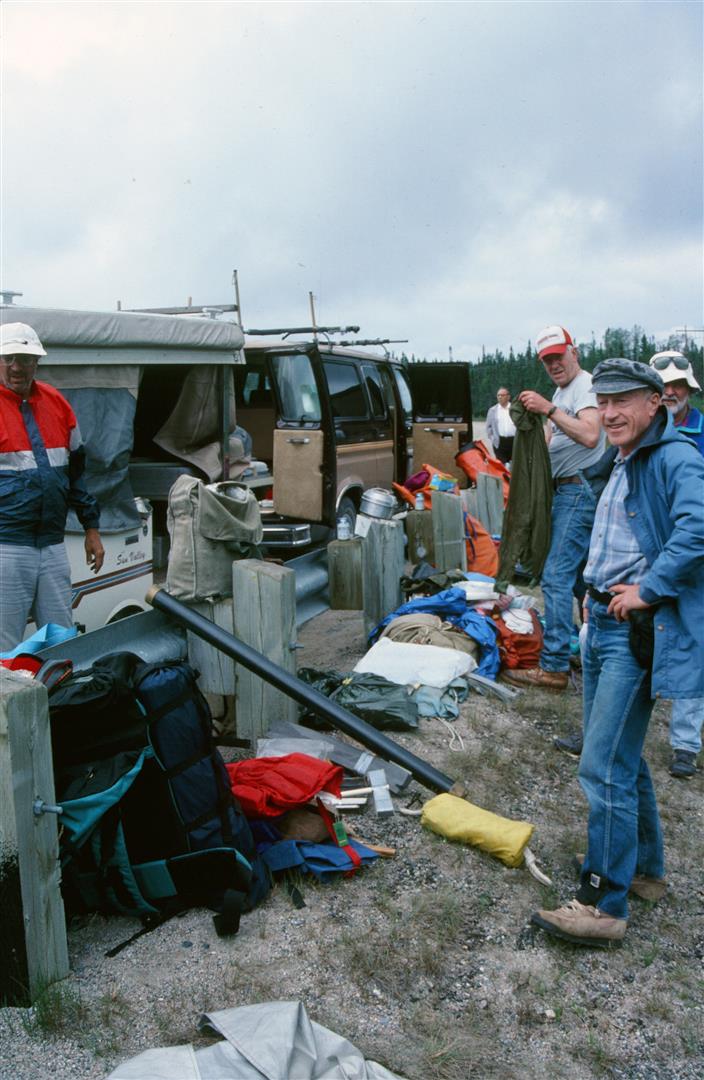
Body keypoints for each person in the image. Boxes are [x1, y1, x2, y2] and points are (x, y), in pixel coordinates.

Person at [532, 359, 704, 947]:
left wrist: (648, 590)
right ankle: (646, 872)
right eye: (602, 402)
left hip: (635, 629)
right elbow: (614, 537)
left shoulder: (675, 457)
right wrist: (591, 589)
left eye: (622, 401)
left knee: (601, 764)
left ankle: (602, 904)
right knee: (621, 757)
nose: (608, 413)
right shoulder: (625, 455)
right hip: (604, 620)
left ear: (656, 402)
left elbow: (697, 530)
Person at [502, 325, 605, 691]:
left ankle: (555, 666)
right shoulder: (563, 392)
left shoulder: (585, 386)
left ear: (574, 352)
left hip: (577, 492)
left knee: (556, 576)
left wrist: (548, 409)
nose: (554, 365)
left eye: (559, 357)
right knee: (580, 581)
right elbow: (548, 444)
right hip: (565, 492)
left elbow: (590, 435)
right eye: (547, 361)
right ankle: (592, 650)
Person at [0, 321, 104, 650]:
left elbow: (76, 473)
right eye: (8, 359)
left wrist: (91, 528)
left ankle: (59, 685)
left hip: (52, 544)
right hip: (6, 545)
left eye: (25, 359)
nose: (16, 367)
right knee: (4, 645)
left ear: (37, 362)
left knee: (61, 637)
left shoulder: (56, 402)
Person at [650, 350, 704, 779]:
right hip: (650, 547)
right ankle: (612, 728)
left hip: (693, 550)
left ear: (689, 389)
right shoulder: (640, 432)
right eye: (663, 385)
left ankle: (685, 743)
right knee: (633, 637)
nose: (671, 392)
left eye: (678, 386)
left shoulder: (701, 431)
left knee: (695, 639)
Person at [485, 387, 516, 464]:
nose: (500, 397)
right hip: (499, 442)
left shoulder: (515, 409)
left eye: (502, 395)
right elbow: (488, 427)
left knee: (515, 465)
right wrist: (493, 438)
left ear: (508, 397)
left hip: (515, 441)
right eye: (498, 395)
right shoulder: (492, 410)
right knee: (501, 466)